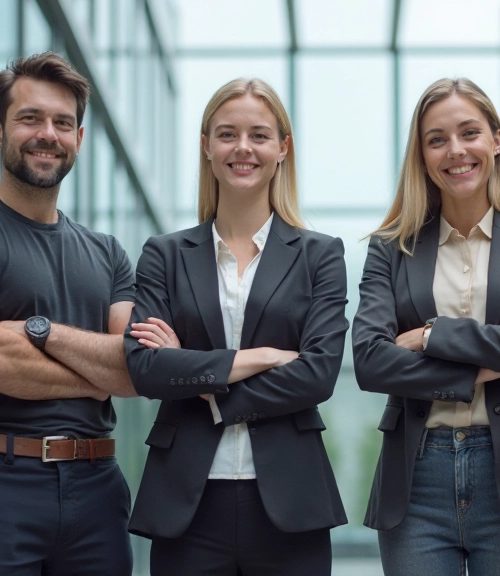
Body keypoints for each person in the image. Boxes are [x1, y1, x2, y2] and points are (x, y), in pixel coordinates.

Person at [0, 52, 136, 575]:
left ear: (79, 139)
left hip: (98, 490)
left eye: (63, 122)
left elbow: (133, 370)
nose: (48, 134)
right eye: (30, 119)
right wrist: (95, 370)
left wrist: (39, 332)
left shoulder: (108, 253)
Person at [351, 77, 500, 576]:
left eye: (469, 132)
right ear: (423, 155)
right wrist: (484, 369)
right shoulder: (392, 248)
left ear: (496, 140)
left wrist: (432, 336)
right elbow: (370, 361)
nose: (456, 150)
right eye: (437, 139)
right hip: (416, 479)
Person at [123, 78, 348, 576]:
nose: (242, 148)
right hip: (187, 503)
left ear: (282, 149)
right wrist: (263, 358)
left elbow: (319, 375)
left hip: (291, 501)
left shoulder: (321, 255)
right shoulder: (165, 253)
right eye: (227, 134)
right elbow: (145, 369)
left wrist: (202, 380)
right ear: (207, 147)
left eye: (259, 135)